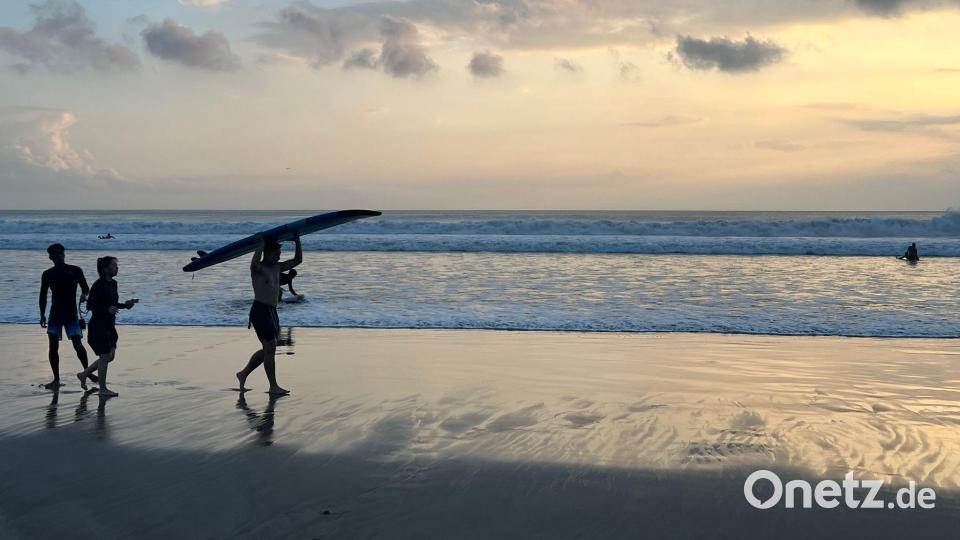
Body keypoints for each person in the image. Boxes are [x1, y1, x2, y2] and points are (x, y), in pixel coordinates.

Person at [236, 235, 302, 395]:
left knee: (269, 348)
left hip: (272, 311)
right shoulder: (258, 269)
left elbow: (298, 260)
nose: (278, 256)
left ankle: (243, 373)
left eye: (279, 254)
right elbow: (253, 263)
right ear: (267, 253)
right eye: (276, 254)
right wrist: (260, 244)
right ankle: (273, 386)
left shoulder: (277, 268)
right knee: (270, 348)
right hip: (260, 310)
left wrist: (297, 240)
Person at [77, 257, 138, 397]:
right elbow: (90, 305)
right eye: (114, 266)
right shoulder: (98, 285)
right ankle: (103, 389)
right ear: (105, 269)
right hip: (98, 325)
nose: (117, 268)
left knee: (110, 356)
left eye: (117, 266)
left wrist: (126, 305)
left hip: (110, 324)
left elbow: (113, 304)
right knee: (104, 356)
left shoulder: (114, 284)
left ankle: (84, 374)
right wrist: (106, 309)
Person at [39, 243, 94, 389]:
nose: (57, 255)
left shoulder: (75, 270)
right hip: (55, 315)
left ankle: (87, 372)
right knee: (53, 347)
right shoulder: (47, 274)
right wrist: (42, 314)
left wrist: (83, 295)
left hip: (71, 314)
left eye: (60, 253)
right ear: (50, 257)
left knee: (78, 345)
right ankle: (56, 379)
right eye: (54, 253)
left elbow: (86, 288)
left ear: (64, 254)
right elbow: (42, 296)